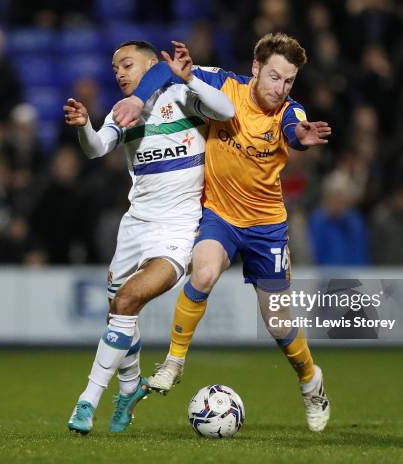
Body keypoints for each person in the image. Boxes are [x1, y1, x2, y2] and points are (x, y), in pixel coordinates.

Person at [112, 33, 332, 432]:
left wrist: (302, 137)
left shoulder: (289, 111)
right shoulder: (222, 84)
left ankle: (310, 380)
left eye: (289, 82)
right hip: (221, 215)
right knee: (205, 271)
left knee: (279, 324)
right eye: (275, 77)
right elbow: (165, 70)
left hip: (266, 227)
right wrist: (137, 99)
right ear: (255, 69)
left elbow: (293, 131)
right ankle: (175, 362)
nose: (280, 88)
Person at [63, 40, 234, 434]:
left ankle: (87, 400)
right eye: (115, 69)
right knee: (119, 313)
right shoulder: (123, 113)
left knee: (126, 301)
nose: (119, 73)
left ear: (153, 65)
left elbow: (226, 110)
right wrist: (84, 126)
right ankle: (130, 388)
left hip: (177, 230)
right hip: (135, 226)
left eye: (126, 64)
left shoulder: (183, 96)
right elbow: (96, 148)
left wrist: (186, 75)